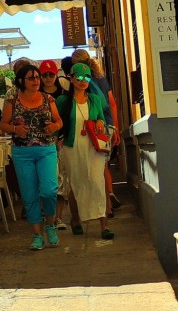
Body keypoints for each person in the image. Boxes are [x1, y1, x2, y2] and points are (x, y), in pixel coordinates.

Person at [0, 62, 63, 250]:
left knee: (50, 189)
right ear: (22, 81)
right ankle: (37, 234)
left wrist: (54, 126)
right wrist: (15, 129)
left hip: (46, 149)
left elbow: (59, 121)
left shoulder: (48, 99)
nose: (36, 80)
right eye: (31, 78)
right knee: (29, 194)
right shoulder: (13, 100)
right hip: (22, 152)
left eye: (37, 77)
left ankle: (50, 224)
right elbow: (3, 124)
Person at [55, 62, 114, 239]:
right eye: (79, 77)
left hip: (93, 145)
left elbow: (102, 119)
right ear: (71, 79)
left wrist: (100, 123)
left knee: (97, 181)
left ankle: (104, 224)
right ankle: (75, 219)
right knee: (76, 182)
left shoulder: (95, 99)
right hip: (72, 146)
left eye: (87, 77)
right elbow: (59, 124)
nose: (83, 81)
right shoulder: (63, 101)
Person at [70, 48, 121, 215]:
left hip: (94, 127)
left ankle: (105, 206)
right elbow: (112, 103)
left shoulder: (83, 81)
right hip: (108, 126)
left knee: (96, 167)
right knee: (104, 165)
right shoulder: (101, 78)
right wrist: (115, 128)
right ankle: (110, 196)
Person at [39, 59, 68, 229]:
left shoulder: (63, 94)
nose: (48, 77)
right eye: (45, 74)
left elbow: (67, 119)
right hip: (42, 143)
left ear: (56, 75)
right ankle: (47, 216)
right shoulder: (37, 95)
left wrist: (62, 136)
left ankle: (58, 217)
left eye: (51, 74)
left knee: (61, 181)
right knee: (45, 183)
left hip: (61, 142)